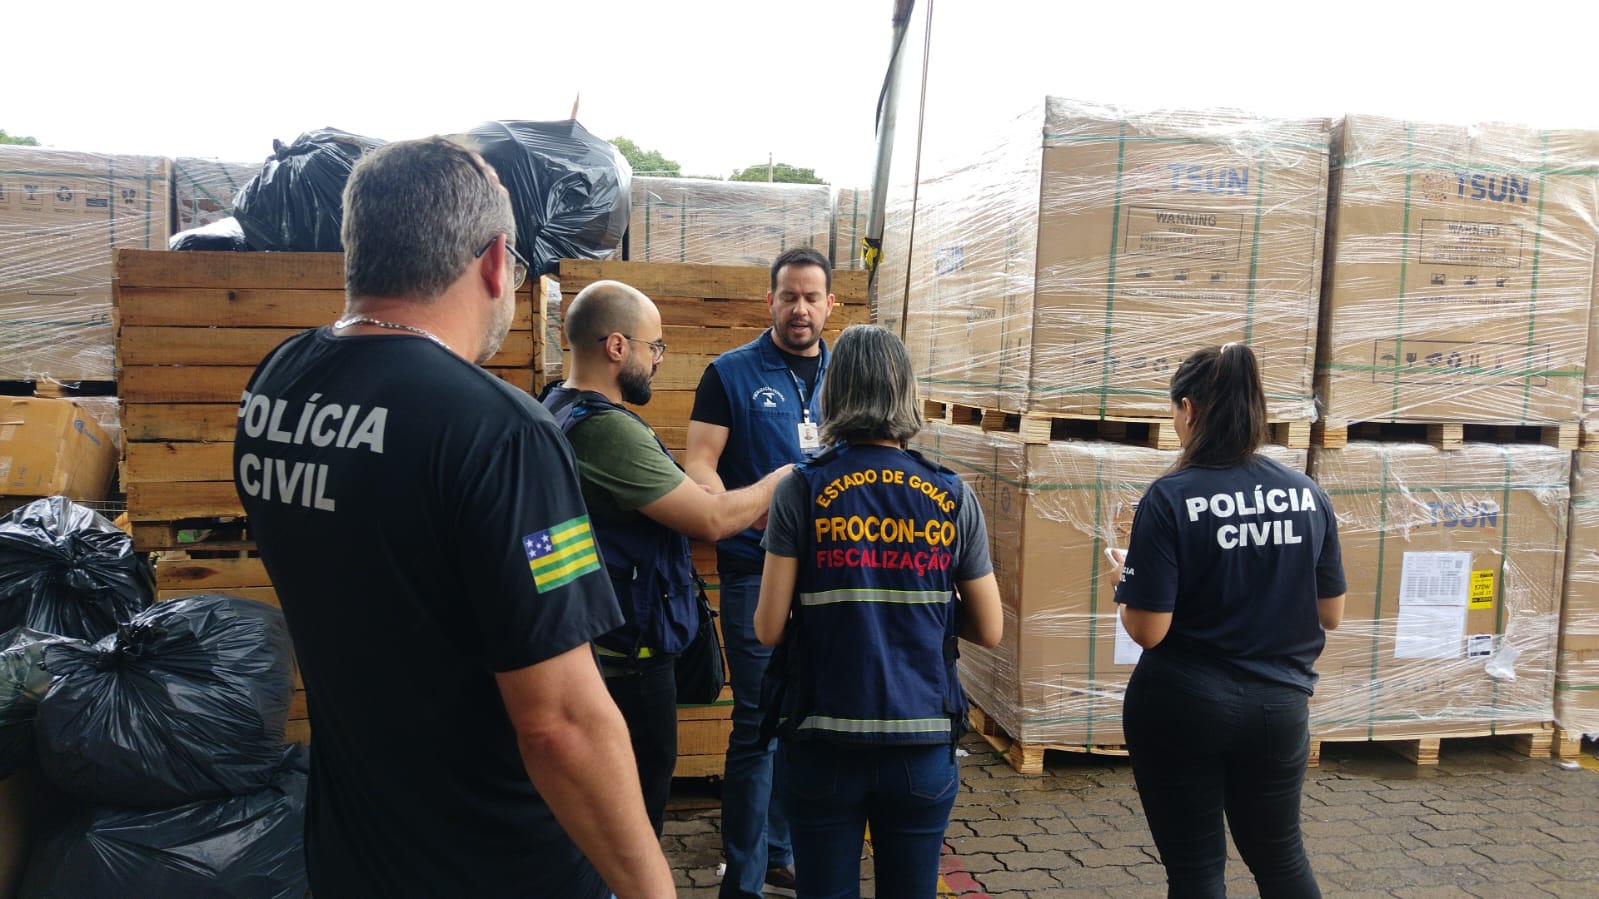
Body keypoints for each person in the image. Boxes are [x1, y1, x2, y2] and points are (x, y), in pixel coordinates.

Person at [233, 137, 673, 899]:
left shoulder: (278, 384)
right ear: (496, 261)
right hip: (497, 865)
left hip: (353, 851)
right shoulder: (500, 431)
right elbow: (559, 722)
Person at [753, 324, 1003, 898]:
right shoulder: (951, 494)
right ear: (905, 393)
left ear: (834, 393)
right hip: (921, 747)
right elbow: (989, 629)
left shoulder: (802, 490)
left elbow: (767, 628)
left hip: (824, 742)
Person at [542, 279, 791, 836]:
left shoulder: (556, 405)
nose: (657, 359)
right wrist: (782, 480)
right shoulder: (606, 432)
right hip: (627, 656)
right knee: (634, 813)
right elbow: (710, 521)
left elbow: (695, 501)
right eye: (653, 346)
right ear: (616, 347)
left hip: (593, 640)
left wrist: (736, 505)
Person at [1113, 342, 1346, 898]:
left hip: (1184, 705)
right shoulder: (1306, 494)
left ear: (1189, 409)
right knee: (1282, 859)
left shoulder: (1170, 497)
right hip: (1279, 707)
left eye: (1174, 413)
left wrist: (1126, 581)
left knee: (1196, 871)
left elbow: (1149, 629)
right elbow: (1330, 612)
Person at [685, 246, 837, 897]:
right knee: (757, 723)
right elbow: (698, 463)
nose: (799, 308)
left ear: (831, 304)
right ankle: (743, 880)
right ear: (768, 300)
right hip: (752, 571)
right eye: (788, 296)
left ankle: (780, 850)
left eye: (811, 297)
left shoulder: (848, 377)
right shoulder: (731, 372)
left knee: (806, 719)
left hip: (830, 578)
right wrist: (743, 512)